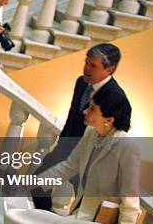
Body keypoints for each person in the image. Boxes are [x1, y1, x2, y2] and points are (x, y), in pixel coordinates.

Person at [32, 85, 140, 224]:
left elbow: (130, 199)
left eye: (92, 109)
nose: (85, 111)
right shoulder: (91, 133)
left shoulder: (127, 145)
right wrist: (33, 182)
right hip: (80, 215)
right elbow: (69, 166)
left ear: (109, 120)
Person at [32, 43, 122, 211]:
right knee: (37, 183)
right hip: (66, 149)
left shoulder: (115, 96)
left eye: (93, 65)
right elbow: (72, 116)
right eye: (86, 63)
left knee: (85, 207)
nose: (86, 68)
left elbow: (114, 135)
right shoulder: (81, 83)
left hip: (91, 160)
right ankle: (43, 219)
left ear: (109, 70)